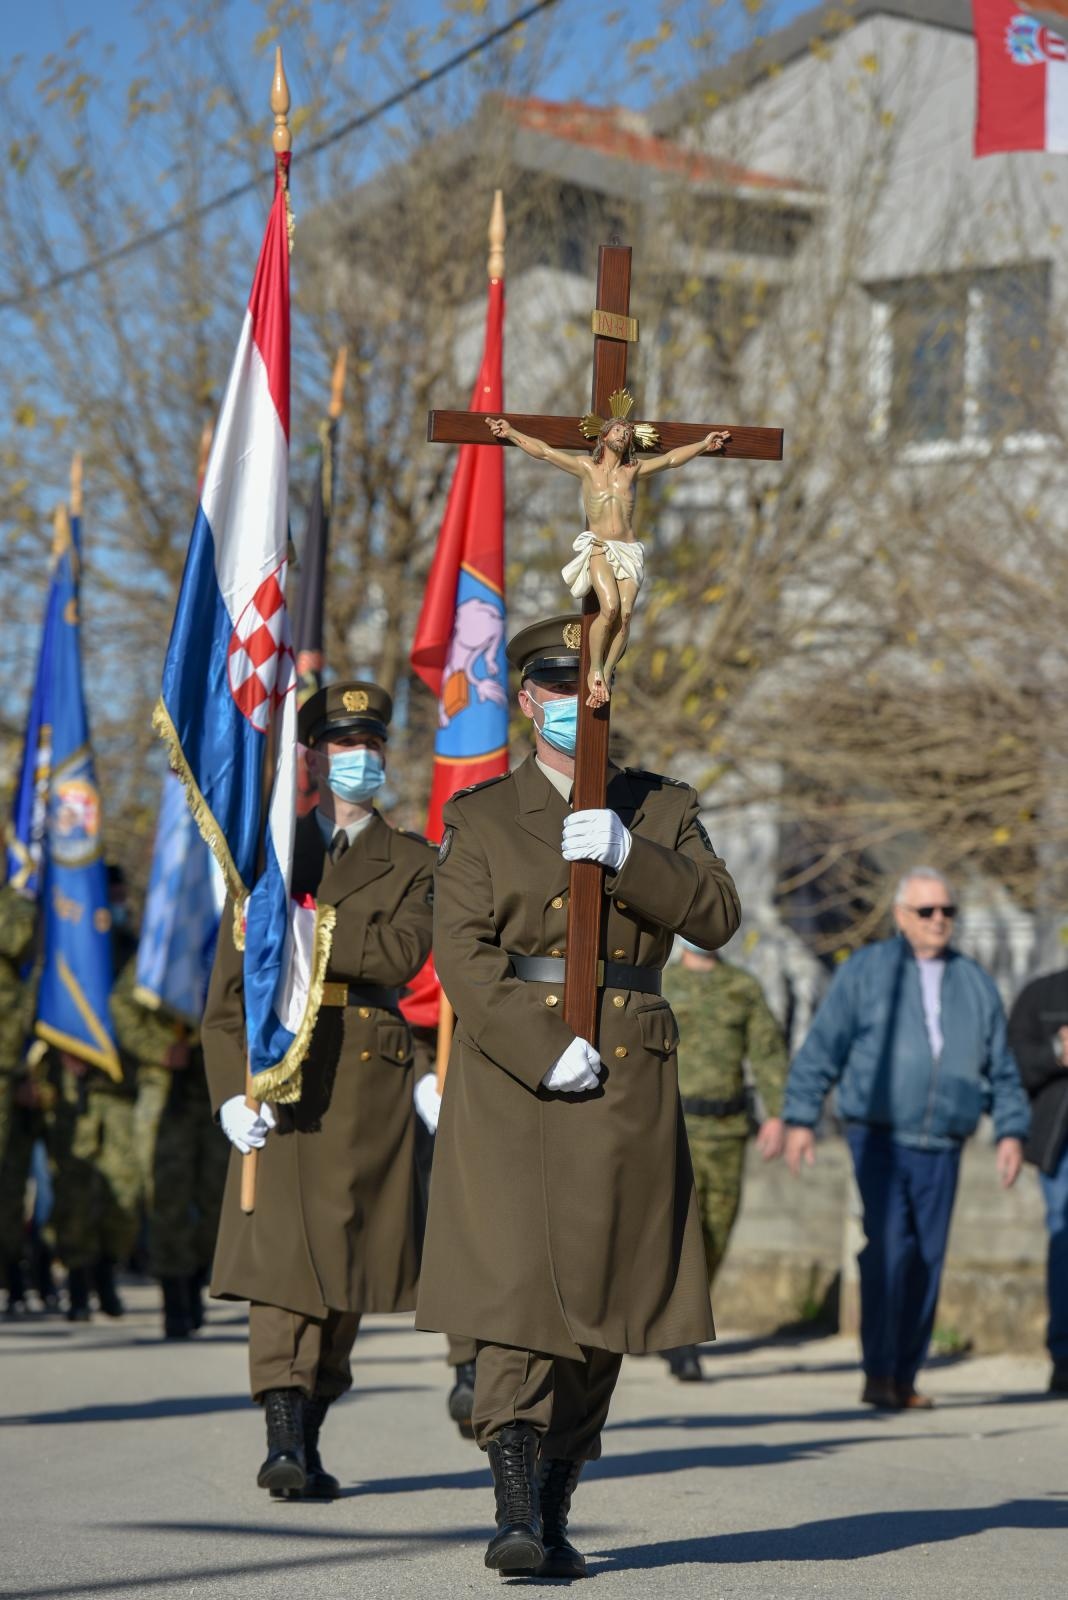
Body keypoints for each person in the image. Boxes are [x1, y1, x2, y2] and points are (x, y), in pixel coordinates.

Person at [416, 615, 741, 1578]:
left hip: (627, 1077)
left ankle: (556, 1503)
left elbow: (718, 915)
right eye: (555, 688)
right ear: (524, 701)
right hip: (520, 1077)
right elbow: (462, 953)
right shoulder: (480, 817)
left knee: (605, 1306)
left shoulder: (663, 806)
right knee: (519, 1294)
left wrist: (630, 856)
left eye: (591, 684)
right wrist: (538, 1042)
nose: (575, 702)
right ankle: (514, 1507)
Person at [202, 680, 434, 1501]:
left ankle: (314, 1422)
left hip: (363, 1080)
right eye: (341, 744)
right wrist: (232, 1090)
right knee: (281, 1268)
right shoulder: (265, 854)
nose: (359, 759)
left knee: (342, 1272)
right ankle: (283, 1436)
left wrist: (301, 928)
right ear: (309, 756)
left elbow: (401, 954)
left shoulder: (413, 862)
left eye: (371, 744)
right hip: (278, 1075)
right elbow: (227, 1000)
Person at [783, 867, 1029, 1410]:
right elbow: (823, 1047)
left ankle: (906, 1376)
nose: (939, 921)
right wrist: (800, 1117)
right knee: (890, 1249)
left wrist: (1011, 1132)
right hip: (879, 1136)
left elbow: (1002, 1068)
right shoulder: (868, 973)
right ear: (901, 916)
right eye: (927, 911)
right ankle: (879, 1370)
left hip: (944, 1140)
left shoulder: (974, 981)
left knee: (927, 1258)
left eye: (948, 912)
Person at [485, 410, 729, 707]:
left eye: (627, 432)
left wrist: (704, 444)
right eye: (617, 430)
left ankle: (607, 669)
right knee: (610, 608)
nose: (623, 434)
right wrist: (510, 433)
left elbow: (670, 460)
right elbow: (546, 452)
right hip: (600, 545)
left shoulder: (633, 470)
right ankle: (595, 667)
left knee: (626, 615)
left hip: (628, 548)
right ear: (604, 436)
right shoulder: (587, 467)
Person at [660, 940, 788, 1381]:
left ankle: (682, 1321)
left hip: (728, 1129)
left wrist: (777, 1112)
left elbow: (767, 1051)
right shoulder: (663, 981)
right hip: (672, 1126)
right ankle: (679, 1333)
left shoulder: (742, 987)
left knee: (717, 1229)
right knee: (674, 1231)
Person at [111, 964, 228, 1340]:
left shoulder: (217, 943)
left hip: (216, 1089)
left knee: (218, 1199)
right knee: (167, 1200)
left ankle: (196, 1278)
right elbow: (122, 1007)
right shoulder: (156, 952)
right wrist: (159, 1049)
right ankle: (174, 1297)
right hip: (164, 1092)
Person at [45, 864, 140, 1321]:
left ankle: (108, 1274)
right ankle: (79, 1285)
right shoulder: (67, 946)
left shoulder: (133, 949)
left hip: (121, 1086)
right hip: (74, 1086)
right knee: (75, 1189)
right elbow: (49, 1005)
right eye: (114, 896)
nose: (120, 904)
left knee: (125, 1187)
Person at [402, 960, 479, 1438]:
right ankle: (466, 1365)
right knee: (453, 1230)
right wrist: (424, 1077)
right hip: (441, 1078)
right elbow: (409, 1008)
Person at [1006, 966, 1068, 1395]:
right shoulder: (1043, 993)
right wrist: (1058, 1052)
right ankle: (1065, 1356)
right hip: (1062, 1143)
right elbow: (1011, 1064)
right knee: (1065, 1239)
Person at [0, 876, 38, 1314]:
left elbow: (23, 940)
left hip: (19, 1064)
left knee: (14, 1181)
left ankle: (12, 1271)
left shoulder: (18, 901)